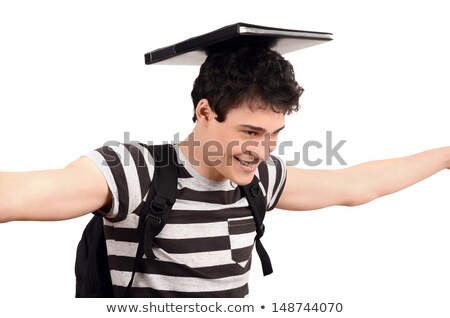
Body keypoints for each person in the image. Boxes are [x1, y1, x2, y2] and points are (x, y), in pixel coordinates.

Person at [0, 45, 449, 298]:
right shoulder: (133, 171)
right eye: (250, 131)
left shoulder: (261, 178)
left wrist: (447, 156)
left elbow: (357, 185)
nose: (262, 150)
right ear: (205, 112)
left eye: (274, 133)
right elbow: (18, 195)